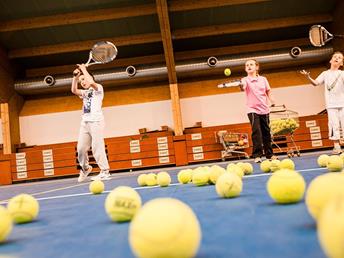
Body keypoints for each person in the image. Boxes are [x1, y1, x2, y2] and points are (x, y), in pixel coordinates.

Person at [71, 64, 111, 182]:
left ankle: (105, 171)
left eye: (84, 79)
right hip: (85, 123)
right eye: (81, 81)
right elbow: (73, 90)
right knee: (81, 149)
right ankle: (86, 168)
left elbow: (91, 81)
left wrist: (83, 69)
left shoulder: (98, 89)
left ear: (90, 79)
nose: (82, 82)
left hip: (96, 121)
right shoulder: (84, 93)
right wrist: (75, 77)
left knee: (97, 147)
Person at [300, 51, 344, 154]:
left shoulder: (342, 74)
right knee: (334, 125)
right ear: (330, 60)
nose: (337, 58)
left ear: (341, 63)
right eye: (335, 57)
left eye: (340, 58)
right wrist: (308, 77)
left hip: (343, 103)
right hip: (331, 104)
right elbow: (315, 83)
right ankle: (337, 147)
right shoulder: (325, 74)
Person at [240, 59, 277, 163]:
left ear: (257, 67)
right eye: (247, 65)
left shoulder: (263, 79)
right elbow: (243, 87)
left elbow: (268, 91)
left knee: (266, 132)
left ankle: (270, 154)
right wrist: (240, 85)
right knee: (256, 132)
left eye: (251, 64)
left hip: (264, 109)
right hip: (252, 110)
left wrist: (272, 100)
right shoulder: (245, 80)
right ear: (245, 69)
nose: (249, 66)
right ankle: (257, 155)